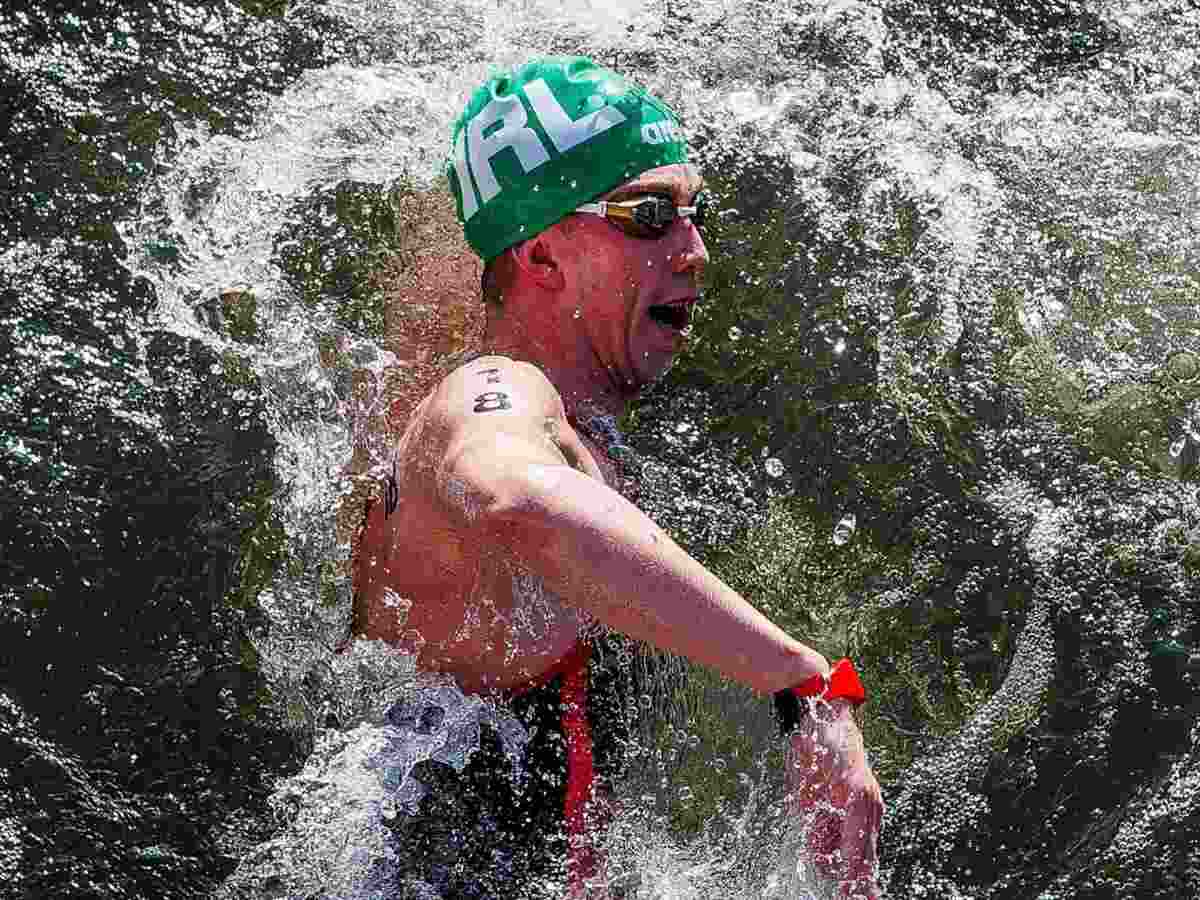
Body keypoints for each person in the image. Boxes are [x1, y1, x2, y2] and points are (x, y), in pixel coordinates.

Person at [351, 55, 883, 899]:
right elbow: (515, 498)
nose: (695, 250)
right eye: (648, 216)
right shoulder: (493, 396)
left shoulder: (551, 405)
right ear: (542, 255)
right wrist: (805, 679)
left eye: (694, 213)